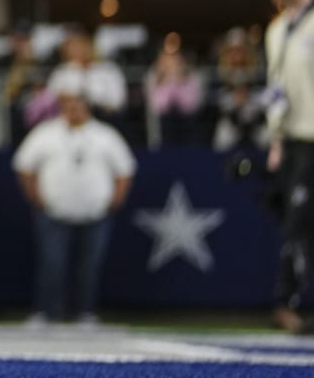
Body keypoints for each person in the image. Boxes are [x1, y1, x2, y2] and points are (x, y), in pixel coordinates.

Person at [13, 70, 136, 325]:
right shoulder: (45, 132)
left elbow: (125, 169)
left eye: (78, 104)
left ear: (86, 106)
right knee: (52, 263)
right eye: (68, 104)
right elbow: (24, 166)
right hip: (53, 212)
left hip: (95, 213)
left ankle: (85, 312)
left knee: (89, 267)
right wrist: (36, 197)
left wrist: (116, 199)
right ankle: (48, 312)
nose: (73, 109)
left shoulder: (105, 135)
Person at [263, 0, 314, 332]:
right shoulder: (276, 30)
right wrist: (276, 139)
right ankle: (289, 302)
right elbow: (276, 88)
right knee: (297, 223)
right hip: (299, 141)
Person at [145, 40, 206, 147]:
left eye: (174, 57)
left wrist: (181, 79)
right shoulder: (153, 75)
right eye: (167, 57)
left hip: (187, 123)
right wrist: (163, 80)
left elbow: (193, 105)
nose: (171, 62)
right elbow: (156, 105)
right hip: (164, 124)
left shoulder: (191, 74)